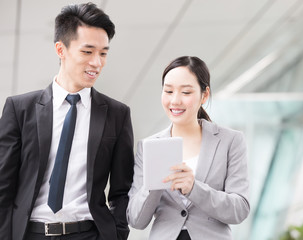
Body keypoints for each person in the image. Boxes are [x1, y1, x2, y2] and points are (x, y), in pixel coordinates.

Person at [0, 3, 134, 240]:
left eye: (103, 53)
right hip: (31, 233)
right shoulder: (19, 109)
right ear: (60, 50)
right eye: (87, 51)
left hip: (89, 234)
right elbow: (3, 187)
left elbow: (121, 190)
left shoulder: (117, 114)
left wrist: (117, 233)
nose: (97, 63)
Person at [127, 56, 250, 239]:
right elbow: (136, 220)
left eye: (186, 92)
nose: (175, 101)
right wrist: (153, 184)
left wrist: (194, 188)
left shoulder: (230, 141)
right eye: (168, 91)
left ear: (204, 94)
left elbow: (239, 209)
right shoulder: (148, 146)